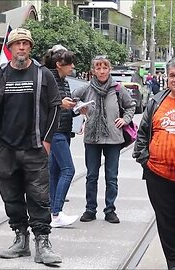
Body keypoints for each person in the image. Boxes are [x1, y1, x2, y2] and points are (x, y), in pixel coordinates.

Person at [0, 28, 62, 265]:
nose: (21, 48)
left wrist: (47, 141)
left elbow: (55, 107)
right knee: (11, 196)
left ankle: (42, 242)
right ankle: (20, 238)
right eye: (17, 43)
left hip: (34, 147)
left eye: (25, 44)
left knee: (39, 197)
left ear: (30, 47)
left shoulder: (43, 74)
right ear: (10, 47)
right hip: (5, 149)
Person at [133, 56, 175, 270]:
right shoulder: (156, 101)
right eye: (172, 75)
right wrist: (145, 160)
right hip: (159, 176)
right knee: (168, 224)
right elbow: (142, 133)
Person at [71, 55, 135, 224]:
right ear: (93, 71)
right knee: (91, 175)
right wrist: (80, 109)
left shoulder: (118, 89)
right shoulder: (86, 88)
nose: (101, 71)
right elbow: (72, 100)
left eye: (104, 67)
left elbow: (130, 106)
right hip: (92, 137)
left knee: (111, 176)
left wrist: (125, 119)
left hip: (113, 138)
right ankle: (90, 209)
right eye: (98, 68)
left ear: (110, 69)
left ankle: (110, 210)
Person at [42, 45, 79, 228]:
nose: (72, 67)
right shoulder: (48, 79)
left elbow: (62, 108)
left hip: (64, 130)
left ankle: (52, 211)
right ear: (59, 64)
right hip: (54, 131)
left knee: (55, 171)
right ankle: (56, 212)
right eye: (69, 64)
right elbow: (42, 106)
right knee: (68, 170)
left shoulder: (64, 81)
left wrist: (76, 109)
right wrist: (59, 104)